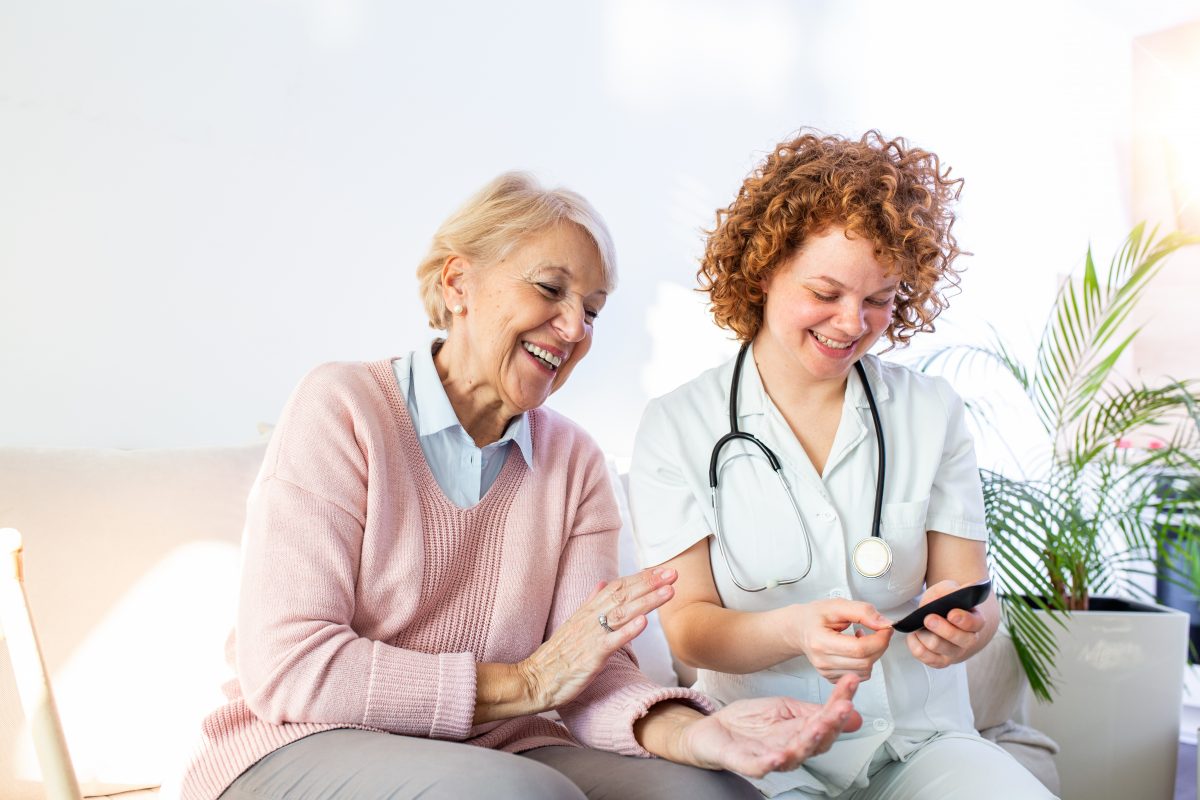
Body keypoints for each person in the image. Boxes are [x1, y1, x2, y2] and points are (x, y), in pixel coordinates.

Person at [177, 172, 864, 800]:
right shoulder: (343, 407)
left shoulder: (575, 462)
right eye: (549, 289)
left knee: (716, 796)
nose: (573, 329)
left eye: (592, 309)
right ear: (457, 284)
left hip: (499, 748)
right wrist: (527, 683)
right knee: (522, 798)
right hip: (295, 744)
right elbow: (292, 667)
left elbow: (589, 673)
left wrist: (696, 734)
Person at [628, 131, 1056, 799]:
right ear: (764, 268)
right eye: (826, 291)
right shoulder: (679, 426)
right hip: (767, 749)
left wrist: (964, 630)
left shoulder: (930, 412)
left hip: (921, 742)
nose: (852, 322)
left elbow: (971, 593)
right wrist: (793, 630)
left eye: (880, 298)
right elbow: (689, 630)